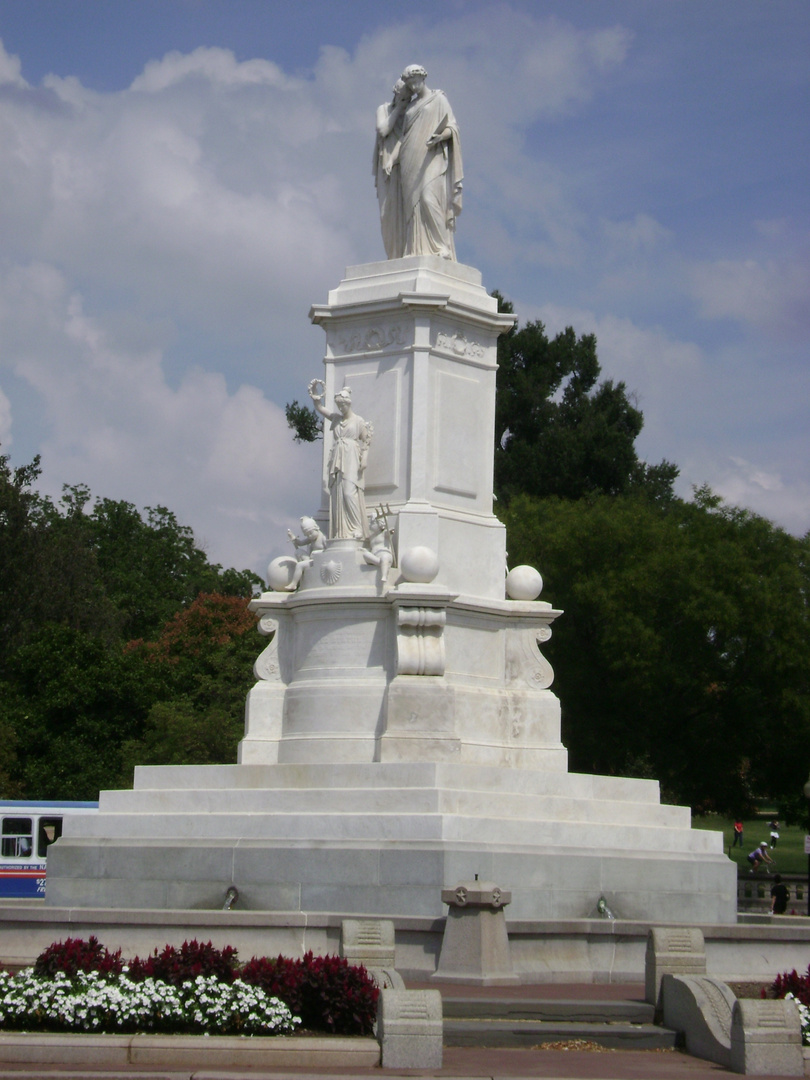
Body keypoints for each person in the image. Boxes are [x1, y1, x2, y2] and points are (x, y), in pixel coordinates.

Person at [374, 64, 463, 260]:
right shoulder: (410, 108)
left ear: (423, 79)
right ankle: (416, 250)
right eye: (410, 84)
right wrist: (393, 160)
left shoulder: (439, 99)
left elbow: (452, 126)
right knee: (412, 207)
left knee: (428, 197)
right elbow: (404, 138)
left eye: (416, 82)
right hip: (409, 160)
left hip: (432, 157)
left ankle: (442, 246)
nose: (414, 87)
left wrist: (441, 137)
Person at [308, 381, 373, 540]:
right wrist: (316, 399)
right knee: (338, 493)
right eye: (338, 406)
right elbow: (321, 409)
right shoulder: (336, 418)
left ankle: (357, 528)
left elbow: (366, 440)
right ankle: (342, 530)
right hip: (338, 455)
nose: (340, 408)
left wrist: (364, 459)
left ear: (348, 404)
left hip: (351, 455)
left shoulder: (358, 421)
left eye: (342, 405)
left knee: (349, 492)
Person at [285, 516, 326, 591]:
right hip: (311, 560)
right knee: (298, 551)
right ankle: (303, 576)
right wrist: (293, 537)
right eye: (307, 535)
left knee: (299, 565)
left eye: (311, 533)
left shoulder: (323, 539)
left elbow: (328, 552)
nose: (309, 536)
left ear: (316, 528)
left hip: (318, 562)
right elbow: (300, 543)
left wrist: (317, 553)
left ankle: (294, 584)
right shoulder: (312, 539)